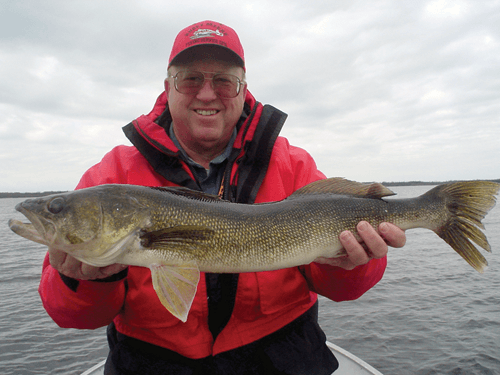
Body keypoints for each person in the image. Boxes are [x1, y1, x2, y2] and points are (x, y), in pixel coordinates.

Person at [39, 20, 406, 374]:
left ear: (243, 89)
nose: (207, 93)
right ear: (168, 87)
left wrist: (354, 264)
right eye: (191, 79)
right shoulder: (109, 178)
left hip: (283, 359)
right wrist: (85, 280)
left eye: (224, 82)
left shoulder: (294, 166)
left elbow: (344, 290)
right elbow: (72, 315)